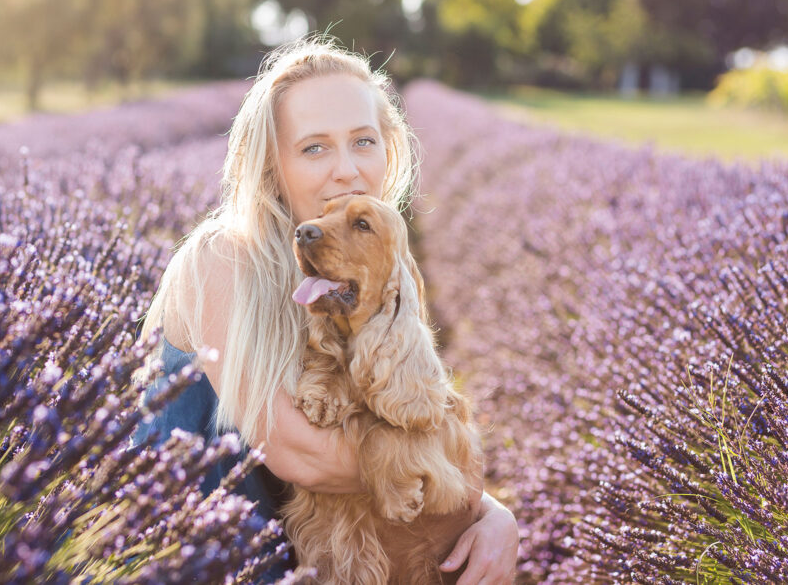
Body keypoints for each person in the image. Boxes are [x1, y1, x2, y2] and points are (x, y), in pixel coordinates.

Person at [131, 35, 519, 583]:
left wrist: (493, 517)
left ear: (390, 149)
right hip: (185, 556)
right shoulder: (220, 259)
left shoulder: (362, 267)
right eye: (315, 148)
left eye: (363, 141)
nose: (347, 169)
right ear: (272, 167)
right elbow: (302, 455)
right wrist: (456, 483)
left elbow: (418, 411)